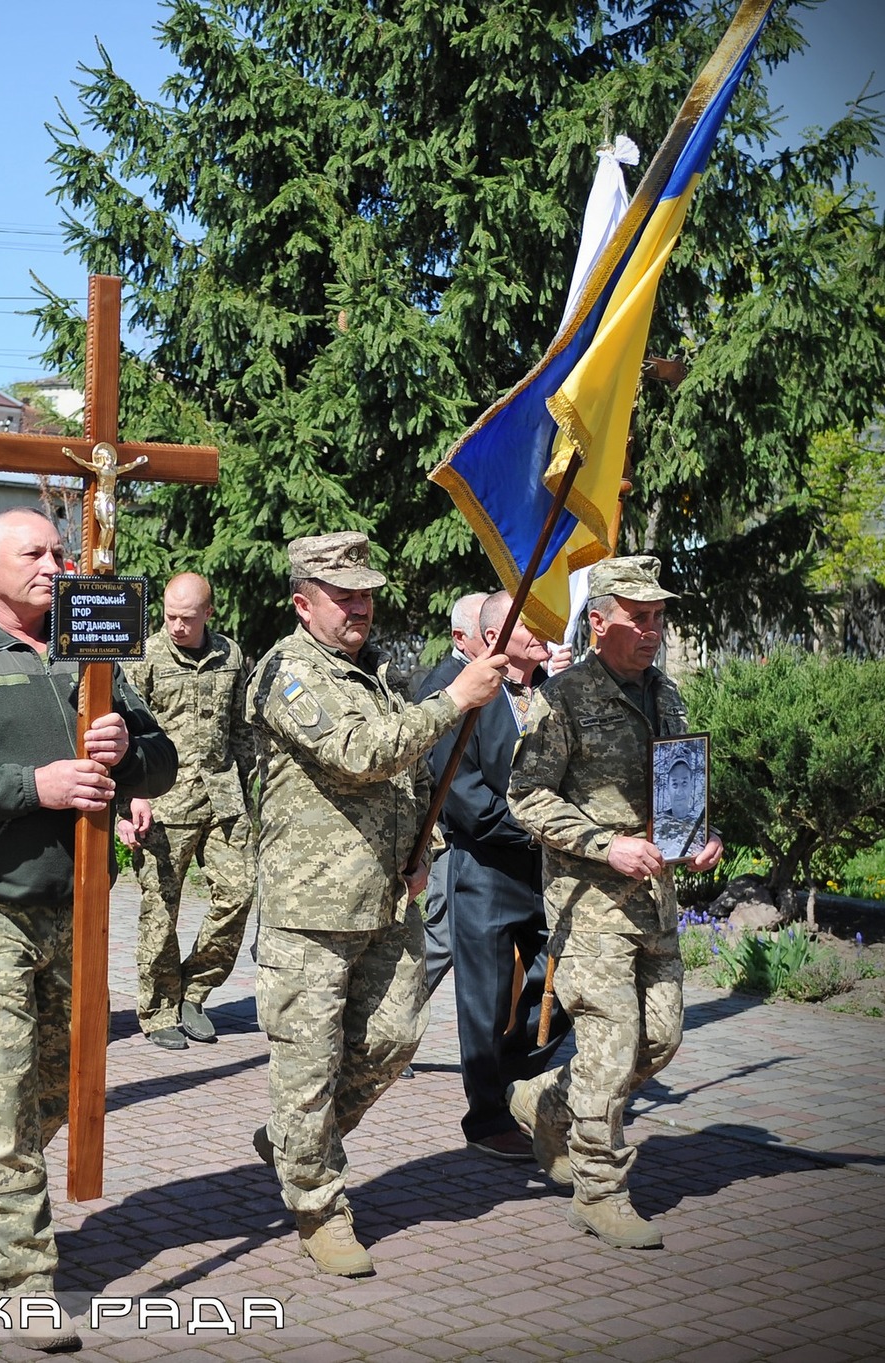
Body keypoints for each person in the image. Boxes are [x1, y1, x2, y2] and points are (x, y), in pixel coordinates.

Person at [0, 508, 175, 1341]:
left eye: (59, 551)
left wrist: (128, 751)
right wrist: (33, 785)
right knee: (4, 1095)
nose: (54, 564)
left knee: (56, 1089)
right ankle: (25, 1277)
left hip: (75, 905)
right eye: (34, 553)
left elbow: (163, 761)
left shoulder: (90, 652)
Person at [246, 532, 510, 1277]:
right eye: (343, 596)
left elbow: (410, 775)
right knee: (308, 1067)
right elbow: (360, 754)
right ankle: (319, 1208)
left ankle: (296, 1140)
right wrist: (453, 700)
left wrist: (424, 844)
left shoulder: (374, 672)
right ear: (304, 604)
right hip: (312, 910)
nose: (359, 608)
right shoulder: (288, 674)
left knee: (394, 1038)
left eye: (365, 595)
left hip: (387, 900)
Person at [506, 555, 725, 1251]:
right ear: (599, 623)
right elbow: (526, 797)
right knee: (610, 1040)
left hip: (654, 896)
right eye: (638, 617)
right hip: (591, 901)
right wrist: (607, 845)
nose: (652, 629)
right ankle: (599, 1190)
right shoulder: (563, 698)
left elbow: (678, 786)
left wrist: (702, 834)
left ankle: (546, 1098)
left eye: (658, 616)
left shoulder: (666, 693)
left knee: (659, 1038)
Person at [417, 589, 563, 1160]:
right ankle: (485, 1117)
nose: (542, 634)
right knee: (485, 1001)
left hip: (549, 872)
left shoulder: (555, 693)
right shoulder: (464, 694)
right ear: (494, 636)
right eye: (529, 625)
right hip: (486, 868)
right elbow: (465, 798)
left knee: (566, 980)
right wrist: (542, 828)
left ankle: (515, 1081)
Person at [117, 570, 254, 1050]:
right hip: (162, 804)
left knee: (239, 893)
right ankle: (158, 1009)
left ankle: (194, 990)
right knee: (161, 911)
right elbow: (125, 733)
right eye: (170, 616)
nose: (177, 626)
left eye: (187, 618)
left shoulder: (230, 655)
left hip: (222, 799)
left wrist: (247, 790)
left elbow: (240, 729)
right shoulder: (145, 657)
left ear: (208, 613)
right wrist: (128, 800)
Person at [420, 590, 490, 1003]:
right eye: (485, 630)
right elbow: (442, 775)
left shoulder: (487, 678)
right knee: (442, 938)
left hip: (476, 836)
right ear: (460, 638)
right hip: (451, 835)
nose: (496, 637)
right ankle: (392, 1023)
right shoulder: (444, 686)